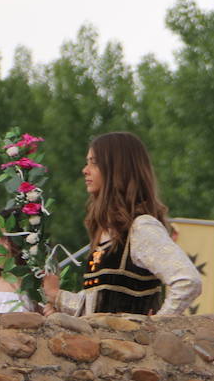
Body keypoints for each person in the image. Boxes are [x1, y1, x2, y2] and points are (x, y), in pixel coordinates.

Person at [42, 132, 202, 316]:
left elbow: (188, 281)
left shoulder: (141, 228)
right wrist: (57, 297)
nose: (85, 170)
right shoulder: (108, 232)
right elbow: (101, 305)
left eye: (94, 162)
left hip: (132, 345)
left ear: (117, 169)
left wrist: (157, 327)